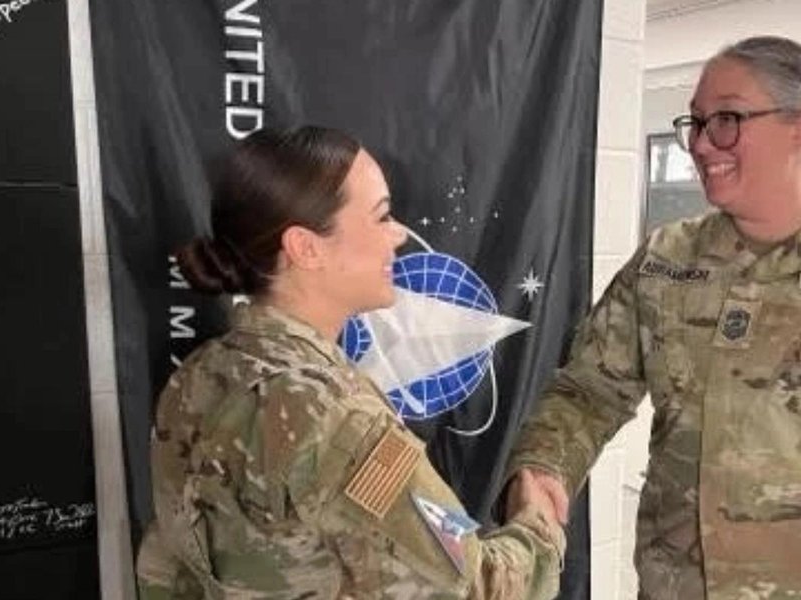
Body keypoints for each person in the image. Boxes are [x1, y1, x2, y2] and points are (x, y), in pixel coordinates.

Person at [505, 36, 801, 599]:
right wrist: (544, 464)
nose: (700, 143)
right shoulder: (667, 261)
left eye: (727, 119)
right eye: (694, 122)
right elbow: (587, 392)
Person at [136, 126, 565, 599]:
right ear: (307, 248)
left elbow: (167, 568)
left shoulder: (196, 377)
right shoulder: (338, 420)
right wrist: (537, 525)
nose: (398, 235)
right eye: (380, 216)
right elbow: (479, 587)